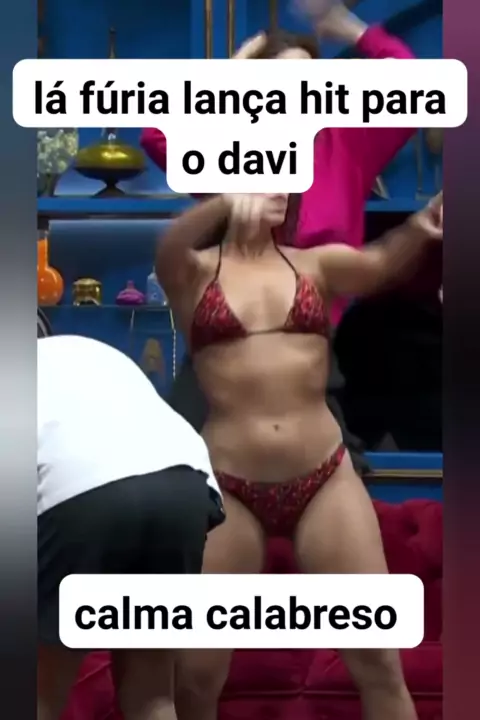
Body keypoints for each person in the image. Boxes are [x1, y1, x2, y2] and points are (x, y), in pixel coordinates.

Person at [154, 190, 442, 720]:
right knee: (195, 675)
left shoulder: (315, 265)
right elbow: (168, 247)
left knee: (379, 661)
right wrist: (225, 203)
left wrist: (422, 225)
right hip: (229, 486)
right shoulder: (194, 271)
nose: (279, 191)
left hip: (323, 477)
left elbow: (380, 265)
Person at [140, 0, 417, 476]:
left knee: (338, 481)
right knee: (179, 478)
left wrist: (347, 27)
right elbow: (156, 134)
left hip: (311, 358)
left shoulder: (347, 142)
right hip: (224, 352)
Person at [37, 334, 224, 720]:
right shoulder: (89, 350)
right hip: (183, 484)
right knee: (152, 693)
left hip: (81, 489)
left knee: (40, 692)